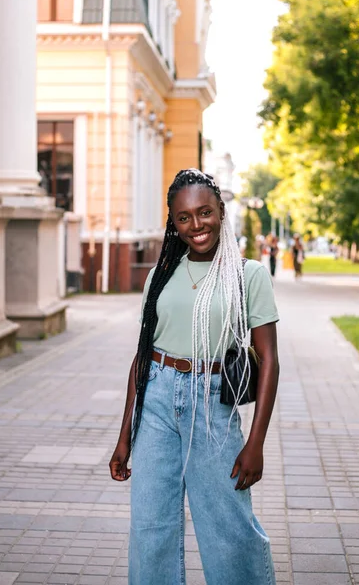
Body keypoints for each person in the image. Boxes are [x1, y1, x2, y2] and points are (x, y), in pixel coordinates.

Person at [109, 168, 279, 585]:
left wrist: (256, 443)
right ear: (174, 223)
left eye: (204, 213)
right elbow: (141, 355)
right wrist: (124, 436)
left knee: (228, 528)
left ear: (221, 211)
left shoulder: (248, 274)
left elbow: (270, 360)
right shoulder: (160, 275)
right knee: (150, 528)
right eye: (184, 218)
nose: (196, 225)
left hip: (212, 402)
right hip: (157, 403)